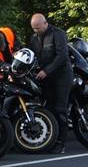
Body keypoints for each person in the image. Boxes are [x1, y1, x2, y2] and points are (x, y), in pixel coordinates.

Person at [28, 12, 72, 147]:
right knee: (48, 108)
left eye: (38, 28)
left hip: (61, 76)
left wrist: (47, 71)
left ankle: (61, 142)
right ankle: (51, 139)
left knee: (60, 109)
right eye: (34, 28)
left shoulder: (58, 34)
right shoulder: (33, 38)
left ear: (45, 23)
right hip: (45, 79)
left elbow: (62, 56)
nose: (36, 31)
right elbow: (31, 55)